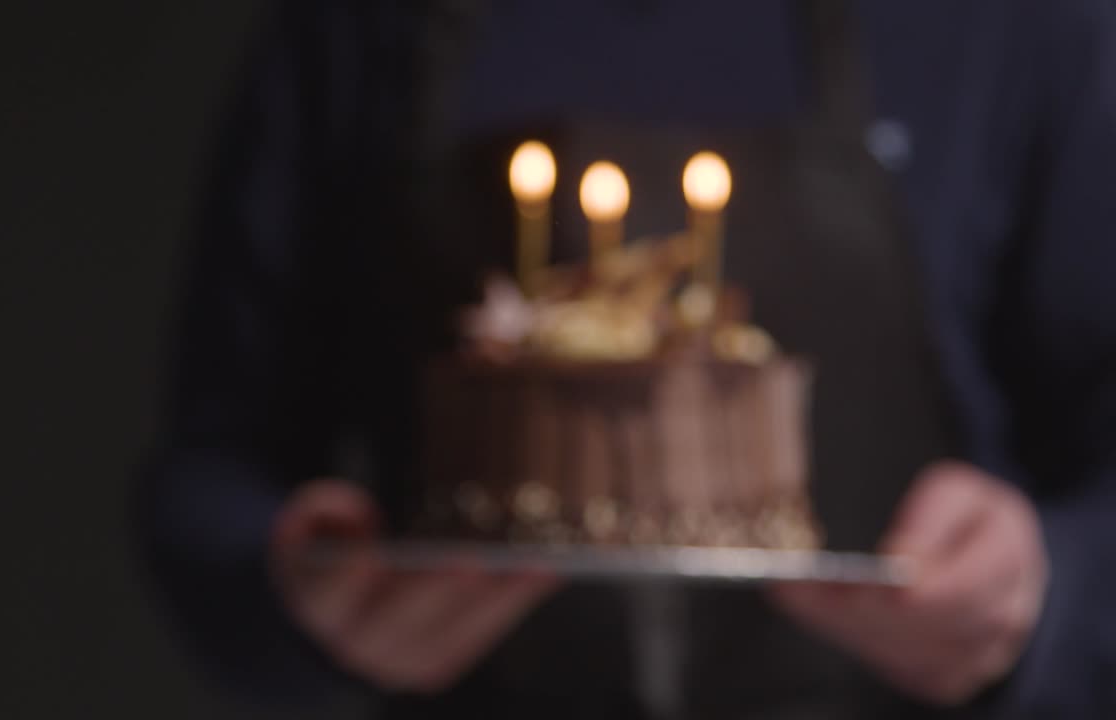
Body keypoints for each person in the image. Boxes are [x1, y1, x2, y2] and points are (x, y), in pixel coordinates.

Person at [135, 1, 1116, 718]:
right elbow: (206, 473)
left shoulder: (1015, 31)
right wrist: (289, 590)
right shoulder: (354, 33)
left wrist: (1047, 598)